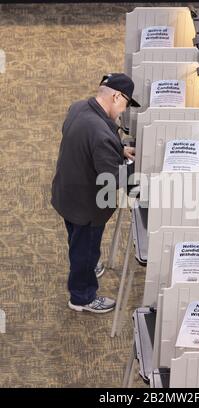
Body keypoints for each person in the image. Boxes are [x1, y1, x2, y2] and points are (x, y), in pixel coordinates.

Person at [51, 73, 140, 313]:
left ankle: (87, 267)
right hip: (87, 207)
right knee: (85, 249)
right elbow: (110, 180)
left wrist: (118, 149)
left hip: (66, 193)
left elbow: (86, 141)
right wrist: (140, 172)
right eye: (125, 104)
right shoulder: (100, 133)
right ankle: (82, 297)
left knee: (78, 240)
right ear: (115, 96)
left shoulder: (78, 107)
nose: (123, 111)